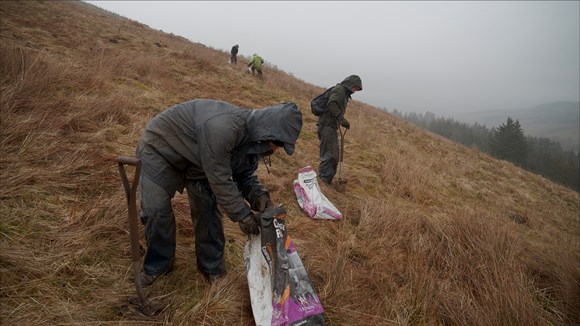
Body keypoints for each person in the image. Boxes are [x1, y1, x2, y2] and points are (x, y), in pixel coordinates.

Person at [135, 99, 303, 286]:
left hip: (199, 163)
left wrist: (259, 196)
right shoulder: (224, 128)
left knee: (207, 210)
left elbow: (243, 174)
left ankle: (211, 268)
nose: (275, 149)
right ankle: (158, 266)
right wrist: (243, 216)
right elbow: (220, 178)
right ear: (268, 130)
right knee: (156, 211)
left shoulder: (254, 142)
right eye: (277, 142)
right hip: (161, 150)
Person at [316, 75, 362, 187]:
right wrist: (341, 119)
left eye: (357, 89)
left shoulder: (344, 93)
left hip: (331, 126)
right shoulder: (340, 90)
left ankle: (326, 180)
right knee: (330, 155)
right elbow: (331, 104)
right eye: (355, 88)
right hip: (326, 126)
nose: (355, 91)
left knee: (333, 155)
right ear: (350, 84)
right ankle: (323, 181)